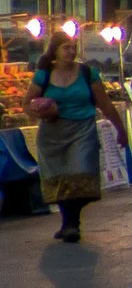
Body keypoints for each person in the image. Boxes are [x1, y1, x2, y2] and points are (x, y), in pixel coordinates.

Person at [26, 30, 105, 243]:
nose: (72, 51)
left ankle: (71, 222)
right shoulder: (43, 74)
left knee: (81, 174)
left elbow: (104, 102)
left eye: (74, 47)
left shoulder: (88, 73)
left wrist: (121, 129)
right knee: (60, 178)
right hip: (52, 132)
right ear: (55, 51)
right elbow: (28, 104)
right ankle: (69, 223)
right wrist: (43, 110)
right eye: (66, 47)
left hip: (82, 130)